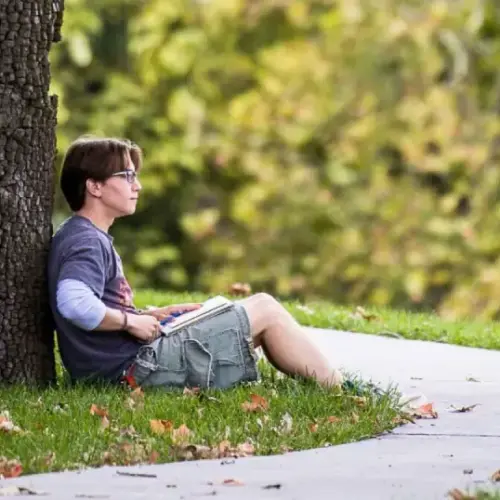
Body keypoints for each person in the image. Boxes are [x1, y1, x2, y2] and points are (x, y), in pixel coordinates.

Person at [48, 136, 343, 390]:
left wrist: (150, 314)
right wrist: (131, 321)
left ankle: (332, 383)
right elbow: (74, 303)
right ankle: (338, 387)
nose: (136, 185)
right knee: (265, 309)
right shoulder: (86, 240)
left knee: (235, 312)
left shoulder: (80, 234)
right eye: (126, 176)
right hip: (133, 371)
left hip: (126, 365)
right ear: (94, 187)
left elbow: (92, 304)